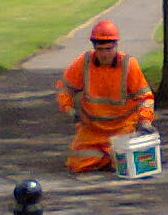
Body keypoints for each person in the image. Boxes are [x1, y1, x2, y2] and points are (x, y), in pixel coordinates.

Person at [54, 19, 155, 173]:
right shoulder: (84, 62)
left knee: (125, 164)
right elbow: (64, 87)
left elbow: (145, 98)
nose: (104, 54)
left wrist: (145, 121)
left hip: (122, 128)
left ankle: (109, 157)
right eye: (100, 49)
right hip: (92, 130)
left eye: (108, 49)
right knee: (76, 164)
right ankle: (108, 157)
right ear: (94, 47)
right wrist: (69, 109)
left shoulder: (128, 65)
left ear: (116, 46)